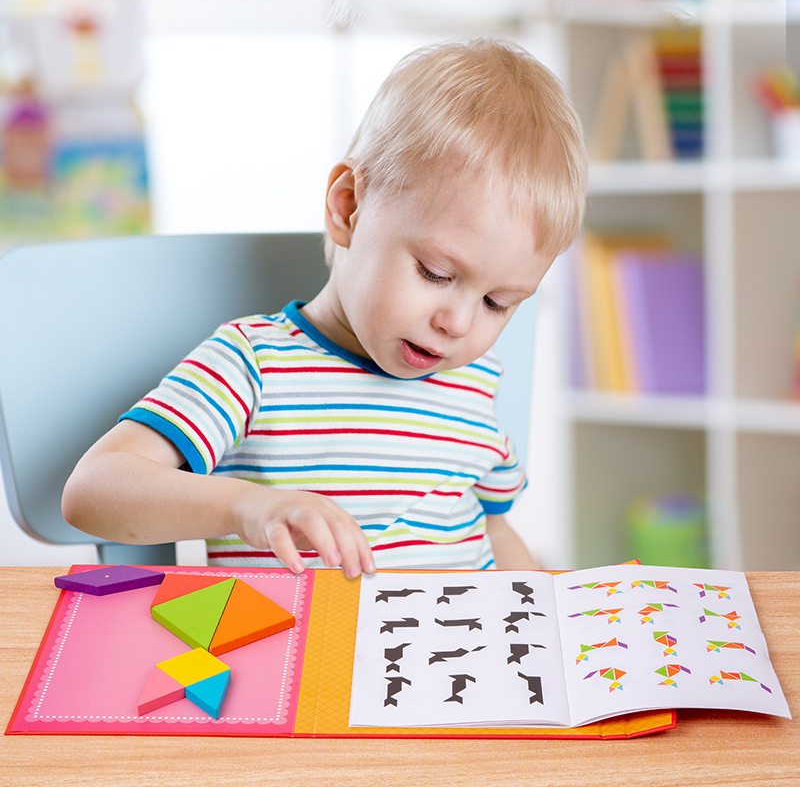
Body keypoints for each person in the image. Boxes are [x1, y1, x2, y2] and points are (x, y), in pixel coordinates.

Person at [62, 37, 587, 578]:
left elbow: (495, 528)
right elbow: (93, 489)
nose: (457, 322)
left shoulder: (476, 382)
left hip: (449, 659)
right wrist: (246, 507)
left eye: (497, 303)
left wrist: (545, 614)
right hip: (300, 655)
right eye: (436, 274)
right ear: (348, 206)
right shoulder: (256, 364)